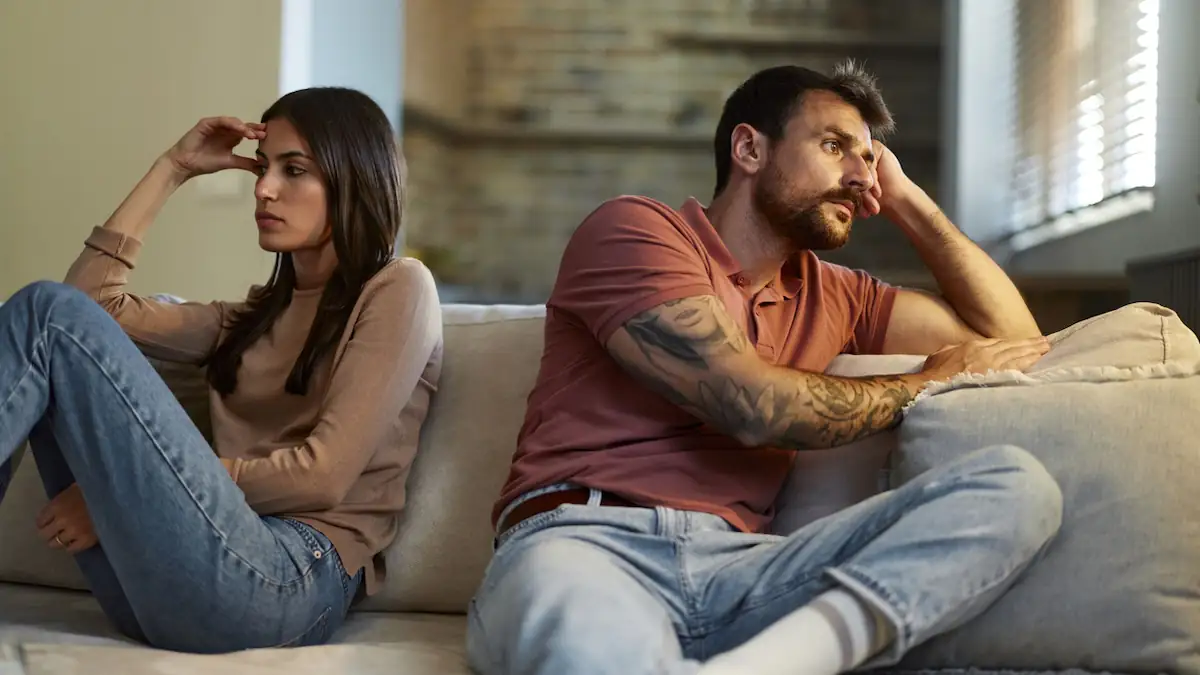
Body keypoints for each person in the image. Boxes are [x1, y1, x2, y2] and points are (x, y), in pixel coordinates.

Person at [467, 62, 1063, 675]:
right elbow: (747, 405)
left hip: (747, 567)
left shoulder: (839, 294)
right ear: (750, 148)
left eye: (869, 160)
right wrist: (926, 382)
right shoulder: (636, 231)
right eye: (834, 146)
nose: (860, 177)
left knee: (1017, 489)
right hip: (584, 545)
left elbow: (1018, 340)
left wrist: (906, 199)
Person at [0, 87, 443, 652]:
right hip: (167, 583)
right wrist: (173, 168)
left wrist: (137, 488)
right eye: (262, 167)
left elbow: (321, 475)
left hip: (287, 578)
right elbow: (87, 305)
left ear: (353, 176)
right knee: (45, 314)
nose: (263, 188)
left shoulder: (398, 288)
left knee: (47, 311)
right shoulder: (248, 319)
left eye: (294, 169)